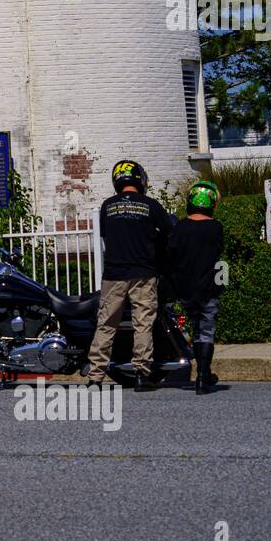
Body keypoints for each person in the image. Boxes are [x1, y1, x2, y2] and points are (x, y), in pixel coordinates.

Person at [85, 160, 174, 392]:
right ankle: (142, 374)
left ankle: (95, 377)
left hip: (115, 273)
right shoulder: (151, 205)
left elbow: (106, 236)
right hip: (143, 273)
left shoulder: (108, 206)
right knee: (142, 324)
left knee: (106, 325)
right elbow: (168, 233)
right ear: (140, 180)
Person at [167, 180, 224, 395]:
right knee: (206, 330)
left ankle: (202, 374)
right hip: (208, 287)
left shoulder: (180, 227)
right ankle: (203, 376)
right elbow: (218, 253)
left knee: (195, 328)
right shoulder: (215, 228)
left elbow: (171, 254)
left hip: (185, 288)